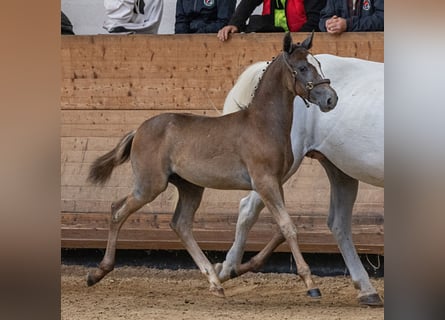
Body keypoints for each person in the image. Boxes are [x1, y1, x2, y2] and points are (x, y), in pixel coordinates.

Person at [217, 0, 326, 41]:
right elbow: (248, 3)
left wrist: (296, 42)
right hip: (275, 39)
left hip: (304, 41)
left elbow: (315, 19)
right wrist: (234, 24)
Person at [319, 0, 384, 34]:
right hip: (342, 49)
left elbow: (383, 19)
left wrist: (348, 25)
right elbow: (323, 18)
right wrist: (328, 23)